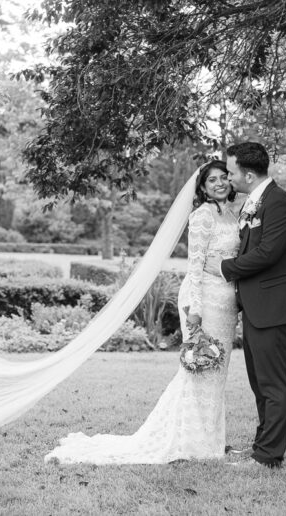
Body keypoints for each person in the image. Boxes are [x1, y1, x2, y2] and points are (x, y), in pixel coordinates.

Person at [44, 160, 241, 464]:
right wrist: (195, 311)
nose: (219, 183)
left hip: (226, 304)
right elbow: (195, 266)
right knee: (200, 369)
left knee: (216, 372)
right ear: (201, 187)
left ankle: (209, 441)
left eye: (223, 178)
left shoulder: (232, 213)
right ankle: (192, 442)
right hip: (204, 300)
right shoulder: (201, 216)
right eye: (212, 180)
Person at [205, 142, 286, 468]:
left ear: (248, 173)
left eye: (231, 172)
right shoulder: (253, 201)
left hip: (275, 308)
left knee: (273, 385)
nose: (229, 178)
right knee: (259, 383)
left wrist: (224, 268)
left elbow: (267, 254)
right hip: (255, 308)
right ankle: (261, 446)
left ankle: (267, 457)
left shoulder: (279, 203)